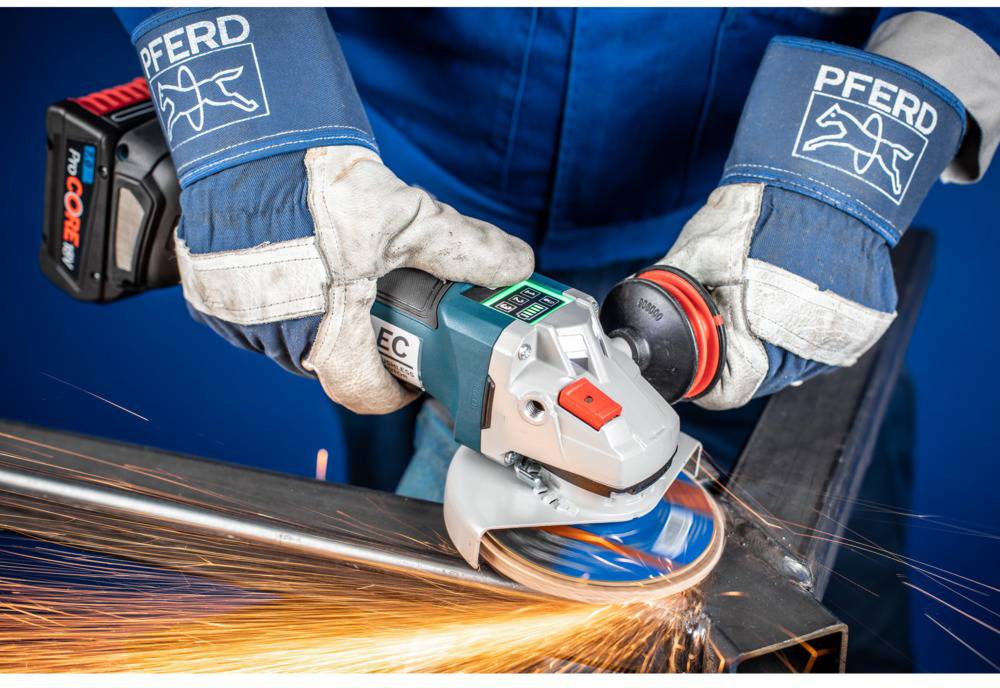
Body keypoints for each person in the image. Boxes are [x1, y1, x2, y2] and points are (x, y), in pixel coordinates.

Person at [115, 7, 999, 670]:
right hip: (375, 217)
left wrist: (852, 170)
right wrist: (249, 115)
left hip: (744, 244)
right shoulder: (369, 261)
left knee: (839, 637)